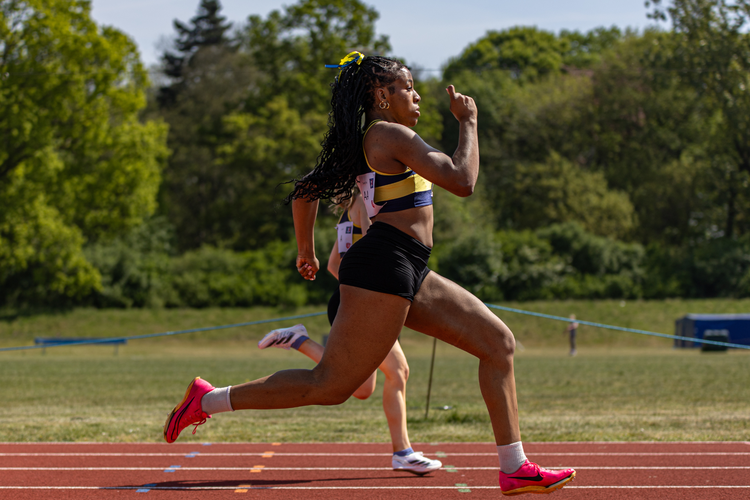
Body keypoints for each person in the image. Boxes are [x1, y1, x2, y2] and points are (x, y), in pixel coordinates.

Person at [163, 51, 575, 495]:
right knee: (332, 386)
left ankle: (514, 467)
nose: (417, 97)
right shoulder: (386, 134)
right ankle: (205, 400)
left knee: (498, 343)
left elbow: (305, 190)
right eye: (408, 88)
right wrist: (469, 122)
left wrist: (307, 252)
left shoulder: (366, 141)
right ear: (381, 95)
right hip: (383, 262)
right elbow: (462, 180)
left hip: (409, 264)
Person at [257, 188, 441, 475]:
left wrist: (355, 289)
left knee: (361, 389)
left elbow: (334, 265)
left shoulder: (348, 211)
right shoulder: (364, 205)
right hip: (360, 305)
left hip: (350, 301)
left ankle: (297, 339)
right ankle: (403, 452)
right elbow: (377, 249)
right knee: (398, 371)